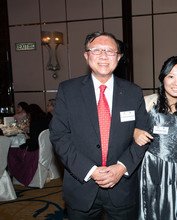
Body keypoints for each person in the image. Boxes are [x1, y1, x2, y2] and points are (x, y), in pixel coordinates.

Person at [49, 31, 149, 219]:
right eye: (96, 50)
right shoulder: (68, 91)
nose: (103, 56)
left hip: (122, 188)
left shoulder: (133, 92)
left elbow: (144, 136)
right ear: (86, 55)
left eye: (110, 51)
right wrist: (91, 171)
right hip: (81, 185)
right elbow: (59, 136)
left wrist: (121, 167)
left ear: (118, 57)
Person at [133, 56, 177, 220]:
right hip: (151, 171)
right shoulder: (146, 103)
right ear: (163, 78)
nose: (176, 82)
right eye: (171, 76)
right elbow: (121, 129)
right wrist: (134, 132)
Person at [7, 103, 49, 186]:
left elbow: (33, 142)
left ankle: (14, 176)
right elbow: (37, 136)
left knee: (11, 152)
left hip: (34, 151)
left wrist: (23, 144)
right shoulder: (45, 119)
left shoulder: (34, 123)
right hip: (43, 149)